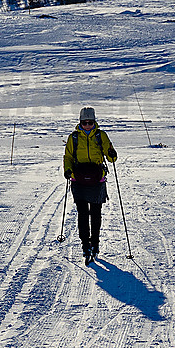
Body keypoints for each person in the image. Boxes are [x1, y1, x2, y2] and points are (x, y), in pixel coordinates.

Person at [63, 106, 117, 265]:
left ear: (94, 122)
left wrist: (112, 155)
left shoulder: (101, 136)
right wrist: (67, 170)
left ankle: (95, 243)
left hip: (96, 179)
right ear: (80, 122)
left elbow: (111, 156)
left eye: (90, 122)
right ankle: (85, 245)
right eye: (84, 122)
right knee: (82, 213)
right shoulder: (73, 137)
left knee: (95, 213)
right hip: (78, 180)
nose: (87, 125)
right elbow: (68, 157)